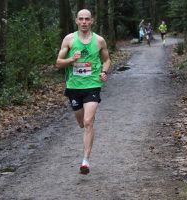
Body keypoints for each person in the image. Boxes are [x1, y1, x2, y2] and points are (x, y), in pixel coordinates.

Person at [56, 9, 111, 174]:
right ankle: (87, 133)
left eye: (87, 19)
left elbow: (107, 60)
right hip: (74, 87)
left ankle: (85, 161)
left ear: (91, 21)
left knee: (88, 121)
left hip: (92, 85)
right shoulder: (69, 39)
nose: (84, 22)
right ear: (77, 21)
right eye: (81, 19)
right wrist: (72, 59)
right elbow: (58, 63)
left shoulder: (99, 41)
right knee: (81, 123)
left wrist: (104, 71)